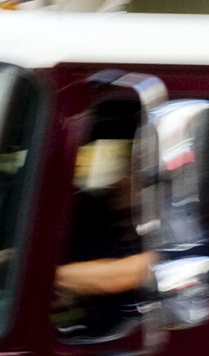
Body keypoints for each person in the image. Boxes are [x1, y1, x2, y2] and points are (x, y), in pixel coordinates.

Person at [52, 133, 155, 339]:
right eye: (120, 171)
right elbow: (75, 293)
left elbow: (123, 275)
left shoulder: (185, 240)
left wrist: (40, 276)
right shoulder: (104, 245)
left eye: (133, 172)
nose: (118, 181)